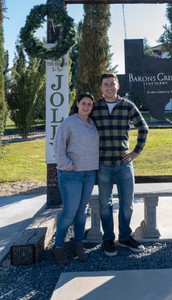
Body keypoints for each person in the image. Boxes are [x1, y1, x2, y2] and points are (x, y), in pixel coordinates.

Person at [92, 73, 149, 257]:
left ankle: (125, 237)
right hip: (103, 164)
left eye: (112, 83)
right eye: (105, 84)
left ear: (118, 86)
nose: (109, 87)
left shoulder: (127, 105)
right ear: (101, 87)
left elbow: (143, 127)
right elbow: (77, 122)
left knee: (127, 204)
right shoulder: (94, 106)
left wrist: (136, 152)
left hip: (124, 164)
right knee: (104, 204)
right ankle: (108, 239)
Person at [53, 93, 99, 264]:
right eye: (83, 103)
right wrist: (67, 165)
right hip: (71, 174)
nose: (86, 106)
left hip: (89, 173)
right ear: (77, 104)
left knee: (81, 211)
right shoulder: (69, 122)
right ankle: (58, 247)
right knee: (69, 212)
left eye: (89, 104)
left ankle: (77, 243)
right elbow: (58, 146)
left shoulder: (92, 124)